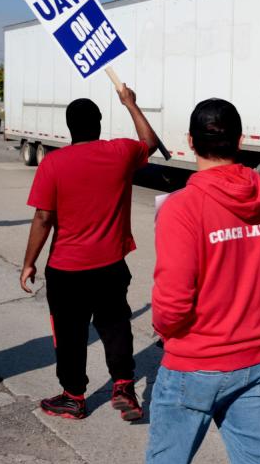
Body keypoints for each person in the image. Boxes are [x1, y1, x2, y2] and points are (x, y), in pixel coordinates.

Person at [145, 98, 260, 464]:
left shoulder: (182, 208)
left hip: (195, 360)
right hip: (257, 358)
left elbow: (172, 304)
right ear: (240, 140)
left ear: (190, 142)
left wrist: (164, 330)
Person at [19, 85, 158, 421]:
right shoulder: (120, 152)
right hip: (110, 264)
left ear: (69, 127)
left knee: (69, 334)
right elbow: (150, 143)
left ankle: (74, 397)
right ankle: (124, 384)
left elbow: (43, 217)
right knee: (115, 326)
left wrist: (28, 263)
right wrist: (131, 104)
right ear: (98, 123)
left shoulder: (53, 163)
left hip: (66, 269)